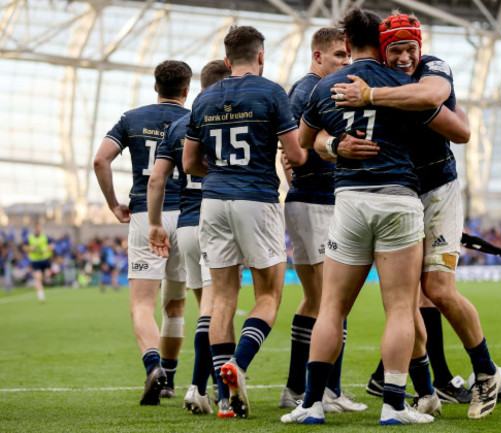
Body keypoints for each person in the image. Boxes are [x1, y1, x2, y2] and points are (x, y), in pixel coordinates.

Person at [330, 12, 501, 419]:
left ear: (420, 47)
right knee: (406, 301)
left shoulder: (431, 69)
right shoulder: (373, 80)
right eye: (396, 50)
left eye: (411, 48)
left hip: (438, 189)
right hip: (401, 195)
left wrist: (370, 97)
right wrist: (334, 145)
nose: (405, 57)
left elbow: (449, 119)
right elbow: (313, 131)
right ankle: (425, 390)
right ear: (382, 51)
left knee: (438, 290)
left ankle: (486, 372)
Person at [281, 7, 448, 426]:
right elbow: (455, 128)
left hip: (349, 200)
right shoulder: (405, 82)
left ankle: (312, 402)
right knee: (399, 309)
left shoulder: (325, 86)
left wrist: (336, 145)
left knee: (332, 307)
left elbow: (302, 144)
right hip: (398, 198)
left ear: (348, 42)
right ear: (382, 40)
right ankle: (394, 406)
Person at [183, 25, 307, 418]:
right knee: (268, 295)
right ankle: (239, 363)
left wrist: (218, 172)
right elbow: (296, 156)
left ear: (225, 60)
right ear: (261, 57)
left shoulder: (203, 98)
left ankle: (223, 396)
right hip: (256, 199)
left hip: (213, 201)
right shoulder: (271, 92)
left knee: (221, 299)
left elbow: (189, 163)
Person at [94, 60, 192, 406]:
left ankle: (153, 366)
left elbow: (100, 160)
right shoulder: (194, 117)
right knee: (176, 304)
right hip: (188, 215)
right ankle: (170, 380)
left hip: (145, 215)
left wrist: (113, 204)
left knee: (141, 304)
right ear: (186, 89)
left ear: (155, 87)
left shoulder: (131, 119)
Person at [280, 27, 366, 414]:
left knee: (324, 300)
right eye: (337, 56)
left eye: (348, 56)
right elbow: (291, 146)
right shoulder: (308, 89)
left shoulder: (320, 89)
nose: (345, 63)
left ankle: (309, 388)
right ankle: (314, 390)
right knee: (327, 301)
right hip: (314, 201)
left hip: (321, 200)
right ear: (317, 57)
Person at [148, 60, 232, 416]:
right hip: (215, 221)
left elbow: (157, 180)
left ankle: (207, 386)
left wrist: (154, 224)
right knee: (216, 309)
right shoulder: (230, 118)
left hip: (184, 226)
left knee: (205, 310)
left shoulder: (179, 125)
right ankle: (200, 387)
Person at [25, 224, 53, 302]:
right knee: (38, 278)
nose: (38, 229)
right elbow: (25, 247)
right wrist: (30, 248)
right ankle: (41, 296)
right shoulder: (30, 237)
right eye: (37, 228)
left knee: (46, 275)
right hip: (36, 261)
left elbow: (52, 246)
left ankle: (42, 282)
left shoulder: (45, 236)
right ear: (34, 229)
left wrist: (46, 250)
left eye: (39, 228)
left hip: (45, 260)